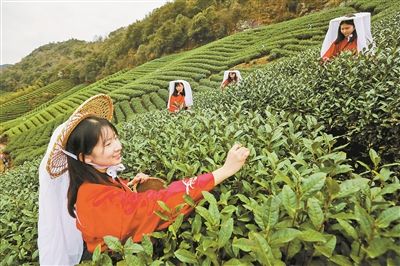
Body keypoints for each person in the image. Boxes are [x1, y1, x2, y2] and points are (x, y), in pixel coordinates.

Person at [38, 94, 250, 265]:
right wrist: (223, 171)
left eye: (115, 138)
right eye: (107, 144)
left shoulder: (94, 180)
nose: (118, 146)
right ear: (85, 157)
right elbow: (155, 205)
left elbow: (117, 201)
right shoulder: (92, 199)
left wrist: (130, 187)